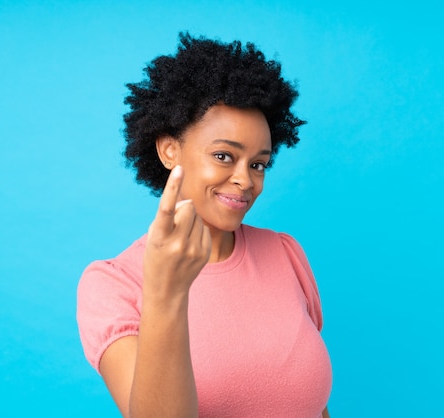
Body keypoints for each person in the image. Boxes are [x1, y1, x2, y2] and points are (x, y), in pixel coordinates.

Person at [77, 32, 332, 417]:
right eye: (224, 156)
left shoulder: (285, 253)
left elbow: (311, 403)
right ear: (169, 150)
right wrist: (167, 291)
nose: (245, 180)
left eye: (258, 164)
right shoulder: (113, 285)